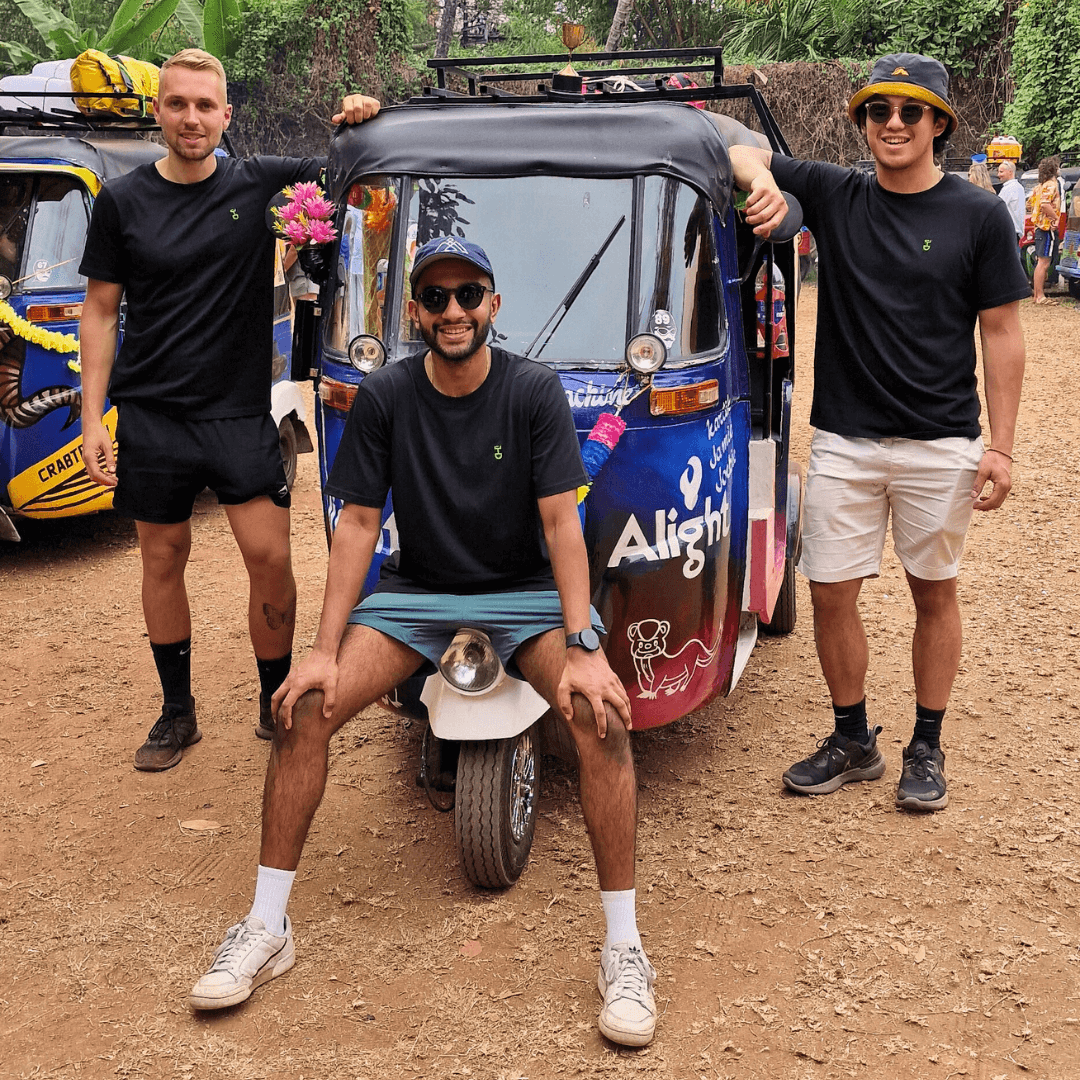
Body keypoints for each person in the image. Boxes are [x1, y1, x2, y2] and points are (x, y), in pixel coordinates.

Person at [188, 237, 659, 1048]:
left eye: (468, 294)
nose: (453, 312)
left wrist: (584, 644)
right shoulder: (387, 395)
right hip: (419, 594)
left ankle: (625, 948)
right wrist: (322, 650)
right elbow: (358, 525)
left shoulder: (532, 391)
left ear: (493, 305)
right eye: (435, 298)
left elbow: (561, 522)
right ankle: (266, 926)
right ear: (414, 310)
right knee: (305, 710)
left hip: (526, 595)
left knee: (600, 718)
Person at [729, 53, 1028, 811]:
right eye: (877, 110)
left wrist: (1001, 446)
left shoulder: (979, 215)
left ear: (939, 124)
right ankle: (853, 737)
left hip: (941, 440)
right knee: (830, 592)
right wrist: (764, 182)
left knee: (934, 593)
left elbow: (1001, 332)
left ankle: (926, 745)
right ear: (862, 122)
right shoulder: (838, 193)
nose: (892, 123)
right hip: (846, 440)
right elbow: (733, 144)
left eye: (910, 110)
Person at [78, 49, 380, 771]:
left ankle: (276, 699)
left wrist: (361, 117)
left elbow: (349, 169)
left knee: (270, 560)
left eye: (205, 106)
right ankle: (176, 712)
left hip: (241, 412)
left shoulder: (261, 183)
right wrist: (92, 418)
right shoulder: (121, 201)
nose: (191, 118)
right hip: (152, 413)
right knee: (162, 558)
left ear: (225, 116)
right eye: (178, 104)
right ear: (159, 112)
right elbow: (100, 310)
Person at [1030, 156, 1061, 305]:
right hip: (1046, 227)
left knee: (1040, 261)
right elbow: (1044, 204)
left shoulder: (1039, 186)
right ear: (1054, 169)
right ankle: (1040, 296)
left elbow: (1030, 203)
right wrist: (1055, 217)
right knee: (1044, 262)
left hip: (1039, 227)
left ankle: (1037, 295)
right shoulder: (1051, 185)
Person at [996, 159, 1025, 238]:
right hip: (1017, 231)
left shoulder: (1008, 189)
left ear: (1010, 172)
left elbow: (997, 207)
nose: (999, 175)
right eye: (998, 172)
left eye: (1001, 172)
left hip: (1009, 231)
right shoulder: (1019, 187)